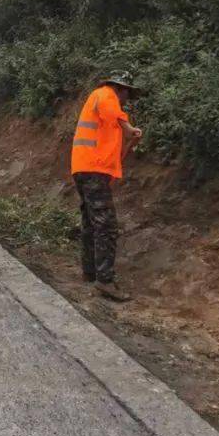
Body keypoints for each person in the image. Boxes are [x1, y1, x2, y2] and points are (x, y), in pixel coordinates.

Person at [71, 74, 144, 302]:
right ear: (120, 89)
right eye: (126, 95)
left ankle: (90, 272)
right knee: (106, 225)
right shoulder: (105, 95)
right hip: (93, 169)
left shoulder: (99, 100)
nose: (126, 100)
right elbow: (114, 112)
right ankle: (105, 281)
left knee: (91, 221)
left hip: (85, 167)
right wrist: (129, 127)